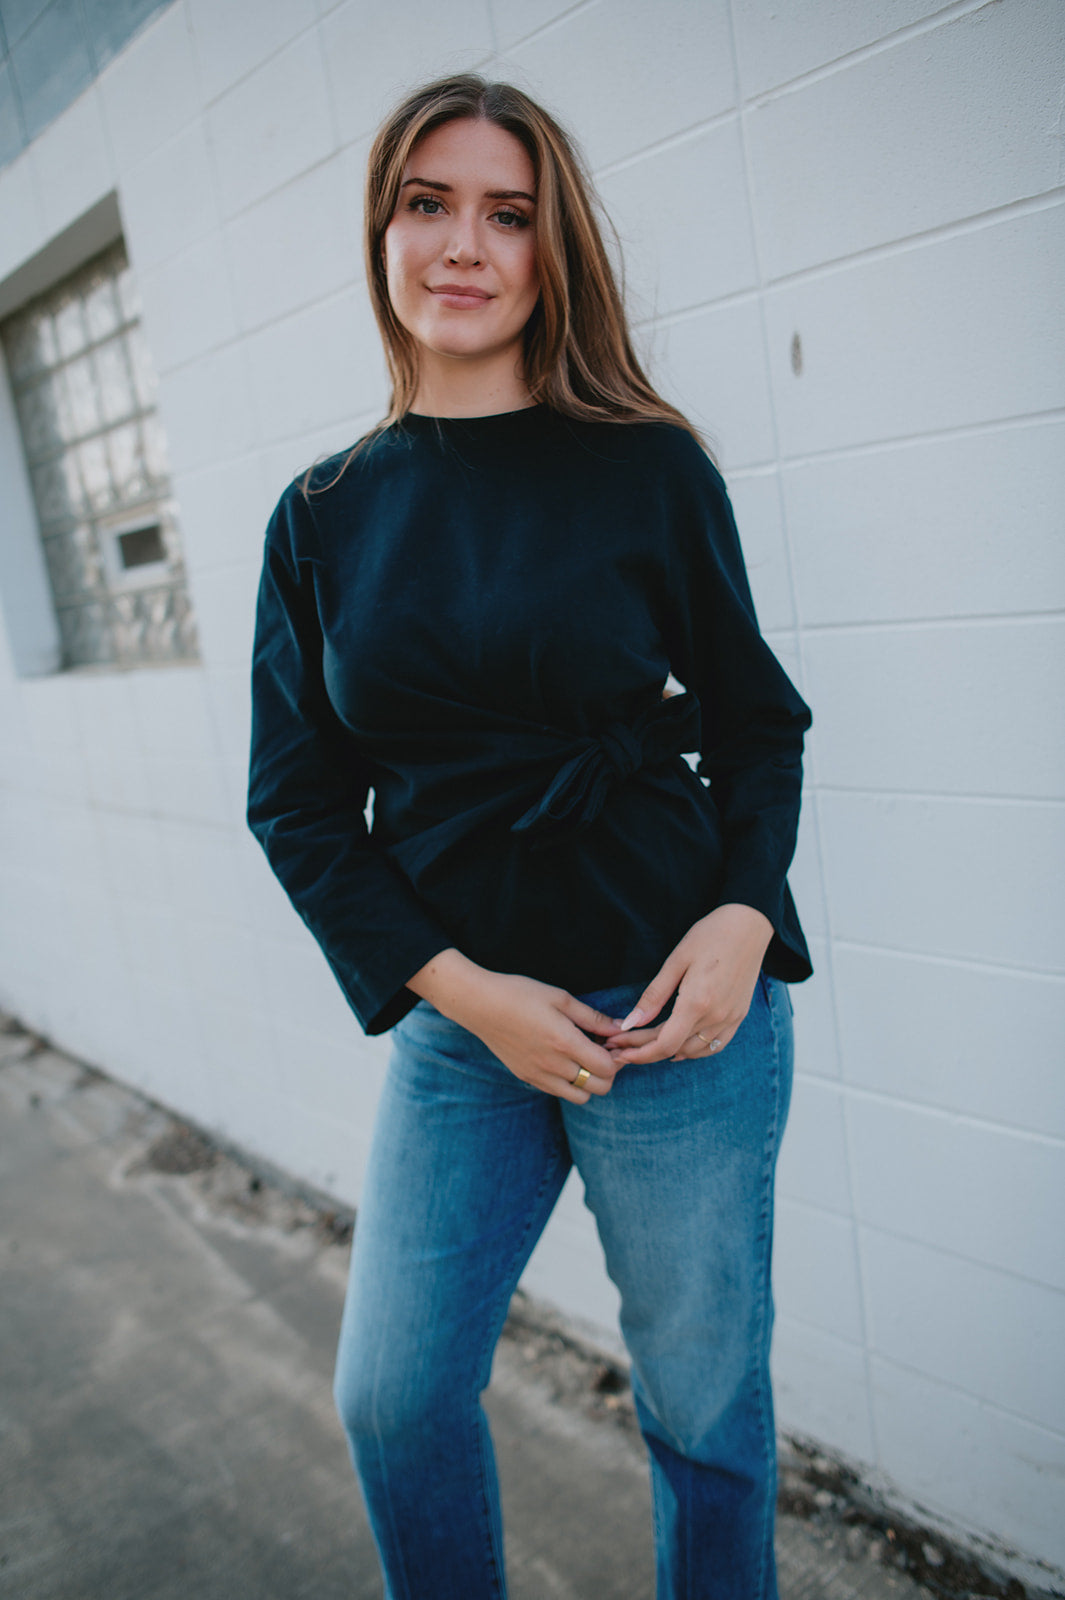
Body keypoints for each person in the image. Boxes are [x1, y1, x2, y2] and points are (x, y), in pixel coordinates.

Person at [247, 72, 812, 1600]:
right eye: (426, 202)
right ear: (381, 231)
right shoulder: (321, 515)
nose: (463, 244)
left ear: (551, 250)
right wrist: (464, 994)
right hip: (462, 1025)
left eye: (507, 214)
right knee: (393, 1395)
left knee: (702, 1409)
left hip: (671, 1016)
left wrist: (742, 916)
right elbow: (294, 802)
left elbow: (755, 721)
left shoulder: (646, 464)